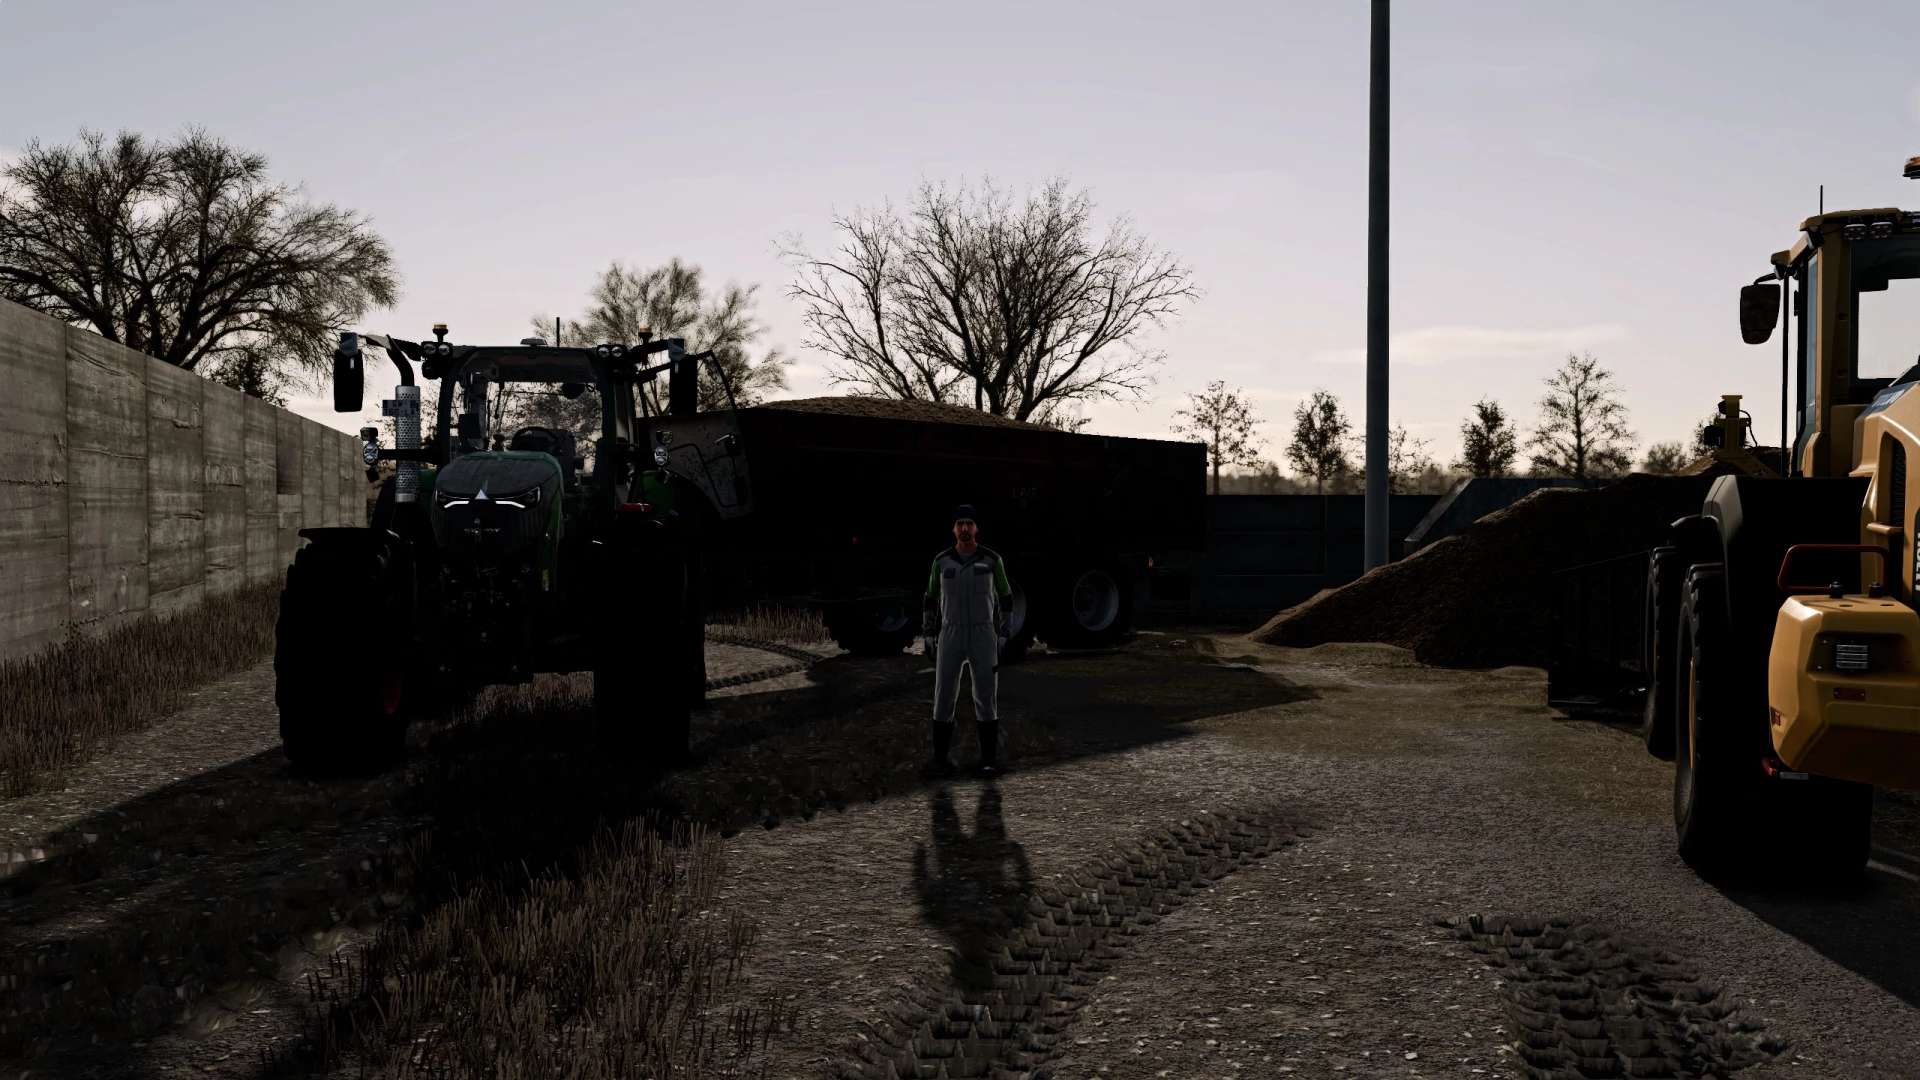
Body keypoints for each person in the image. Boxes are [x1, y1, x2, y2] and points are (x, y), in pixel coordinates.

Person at [922, 504, 1013, 777]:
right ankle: (940, 760)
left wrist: (1004, 633)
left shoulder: (992, 560)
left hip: (983, 634)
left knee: (986, 696)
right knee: (943, 696)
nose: (964, 528)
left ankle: (988, 760)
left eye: (969, 523)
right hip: (950, 633)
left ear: (976, 527)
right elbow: (930, 598)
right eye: (960, 523)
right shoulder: (941, 562)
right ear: (953, 528)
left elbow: (1006, 596)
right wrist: (929, 633)